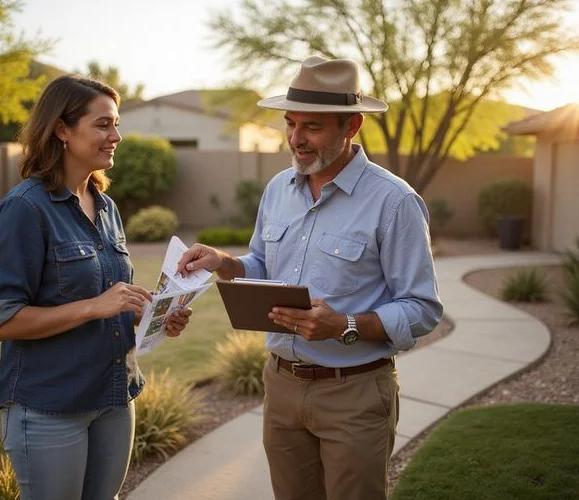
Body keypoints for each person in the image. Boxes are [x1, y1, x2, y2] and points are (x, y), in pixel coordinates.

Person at [177, 56, 443, 500]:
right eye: (290, 123)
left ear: (352, 126)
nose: (296, 139)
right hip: (280, 385)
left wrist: (345, 325)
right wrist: (225, 262)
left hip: (355, 393)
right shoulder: (279, 188)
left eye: (312, 127)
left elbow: (422, 308)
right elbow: (263, 264)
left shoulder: (394, 201)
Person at [0, 75, 192, 500]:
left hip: (115, 396)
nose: (116, 136)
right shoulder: (25, 209)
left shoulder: (106, 205)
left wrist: (148, 313)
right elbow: (1, 319)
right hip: (50, 406)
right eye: (102, 124)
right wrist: (94, 306)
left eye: (116, 124)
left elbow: (111, 299)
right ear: (61, 129)